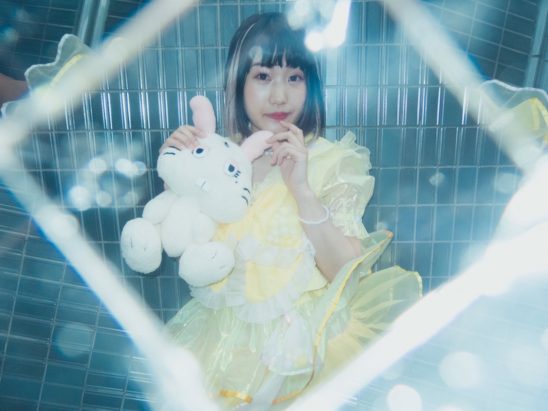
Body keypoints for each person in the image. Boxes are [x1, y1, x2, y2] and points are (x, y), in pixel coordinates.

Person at [162, 12, 421, 410]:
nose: (280, 96)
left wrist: (300, 188)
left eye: (294, 77)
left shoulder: (334, 160)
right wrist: (177, 169)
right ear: (238, 83)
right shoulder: (217, 157)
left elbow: (346, 272)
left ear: (310, 85)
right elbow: (182, 245)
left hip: (306, 348)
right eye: (263, 76)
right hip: (221, 345)